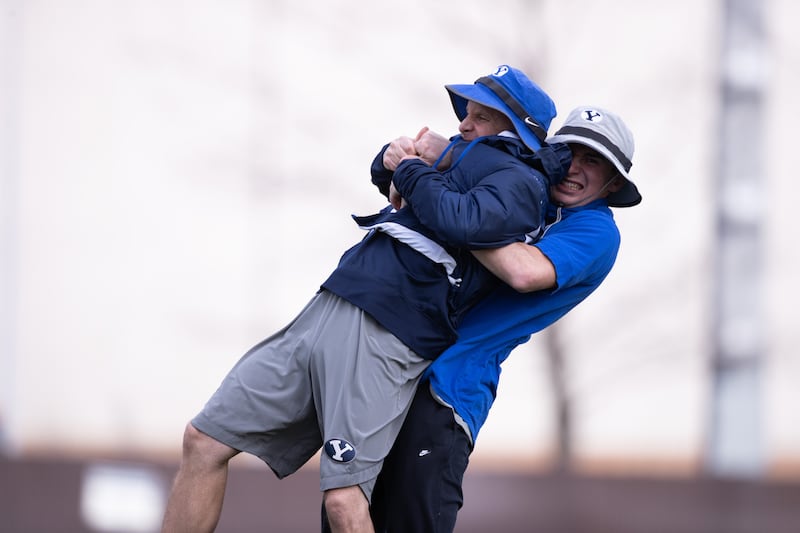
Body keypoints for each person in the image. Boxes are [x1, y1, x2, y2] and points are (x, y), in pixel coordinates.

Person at [160, 65, 571, 533]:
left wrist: (411, 167)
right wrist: (392, 157)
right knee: (203, 440)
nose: (463, 124)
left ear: (517, 131)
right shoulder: (467, 159)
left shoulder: (523, 181)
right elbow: (395, 181)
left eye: (481, 116)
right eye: (466, 113)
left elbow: (463, 220)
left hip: (390, 327)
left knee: (344, 500)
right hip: (334, 301)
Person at [360, 106, 642, 533]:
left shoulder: (597, 230)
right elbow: (432, 175)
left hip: (447, 392)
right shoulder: (528, 190)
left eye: (592, 160)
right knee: (347, 517)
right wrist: (423, 159)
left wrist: (459, 210)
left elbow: (522, 271)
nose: (573, 167)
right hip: (392, 373)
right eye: (568, 152)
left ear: (614, 182)